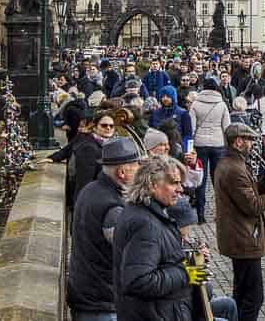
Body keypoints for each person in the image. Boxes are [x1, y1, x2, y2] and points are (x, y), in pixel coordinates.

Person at [111, 154, 200, 321]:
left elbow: (161, 258)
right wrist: (186, 273)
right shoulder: (145, 224)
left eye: (180, 183)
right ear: (152, 185)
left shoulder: (147, 213)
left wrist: (191, 257)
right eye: (174, 183)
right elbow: (139, 281)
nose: (180, 189)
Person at [214, 123, 265, 321]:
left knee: (242, 293)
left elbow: (248, 193)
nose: (253, 145)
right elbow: (252, 205)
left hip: (240, 237)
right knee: (253, 298)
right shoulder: (233, 168)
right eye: (250, 141)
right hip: (243, 239)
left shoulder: (234, 163)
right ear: (238, 142)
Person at [67, 137, 141, 320]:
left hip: (86, 294)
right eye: (136, 165)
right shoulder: (113, 208)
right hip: (102, 302)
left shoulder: (91, 189)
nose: (140, 170)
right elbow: (132, 256)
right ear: (122, 172)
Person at [167, 198, 238, 321]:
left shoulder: (183, 243)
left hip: (189, 304)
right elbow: (203, 292)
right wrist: (195, 271)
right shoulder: (171, 247)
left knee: (229, 304)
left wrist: (200, 260)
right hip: (183, 309)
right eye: (186, 225)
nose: (189, 229)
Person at [190, 77, 231, 224]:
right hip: (217, 143)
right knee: (218, 180)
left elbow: (192, 128)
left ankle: (200, 215)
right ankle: (221, 213)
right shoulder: (222, 104)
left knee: (201, 179)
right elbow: (227, 127)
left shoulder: (195, 104)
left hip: (200, 144)